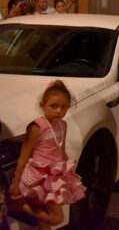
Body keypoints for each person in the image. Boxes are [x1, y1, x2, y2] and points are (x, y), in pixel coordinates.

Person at [10, 80, 85, 229]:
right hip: (39, 177)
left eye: (63, 107)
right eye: (53, 106)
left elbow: (61, 152)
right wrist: (16, 187)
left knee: (44, 220)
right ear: (43, 105)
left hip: (55, 177)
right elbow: (23, 158)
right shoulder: (37, 127)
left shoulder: (63, 125)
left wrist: (68, 175)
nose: (58, 111)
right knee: (57, 218)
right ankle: (18, 206)